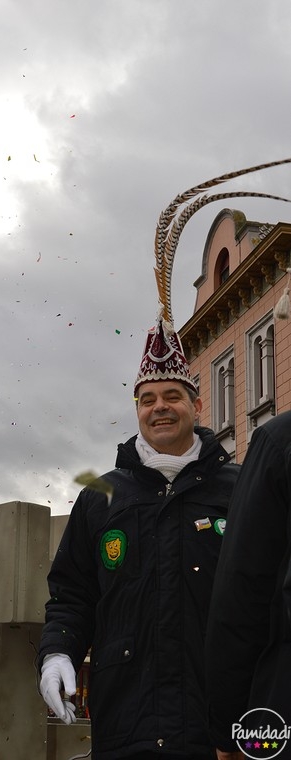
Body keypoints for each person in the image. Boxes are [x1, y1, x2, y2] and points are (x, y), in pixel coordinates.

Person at [38, 318, 239, 759]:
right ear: (137, 411)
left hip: (222, 727)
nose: (159, 407)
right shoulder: (100, 497)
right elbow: (72, 596)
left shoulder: (241, 489)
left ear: (197, 405)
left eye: (172, 396)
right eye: (148, 400)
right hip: (126, 726)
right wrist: (57, 653)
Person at [205, 410, 291, 760]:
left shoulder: (278, 441)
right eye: (147, 399)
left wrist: (229, 731)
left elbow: (242, 595)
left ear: (196, 407)